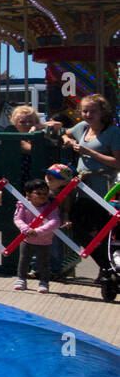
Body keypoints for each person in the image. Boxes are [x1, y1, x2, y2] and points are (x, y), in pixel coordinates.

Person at [61, 94, 120, 298]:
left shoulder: (113, 132)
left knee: (104, 231)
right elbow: (64, 133)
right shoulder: (81, 129)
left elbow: (116, 162)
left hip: (104, 189)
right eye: (85, 111)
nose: (87, 115)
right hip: (83, 187)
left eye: (92, 111)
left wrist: (88, 152)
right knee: (78, 227)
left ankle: (109, 270)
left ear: (103, 111)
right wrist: (67, 139)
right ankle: (106, 267)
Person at [13, 178, 60, 294]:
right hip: (27, 239)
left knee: (43, 263)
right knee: (23, 260)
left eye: (45, 193)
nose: (42, 196)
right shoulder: (23, 205)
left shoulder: (50, 207)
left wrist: (38, 231)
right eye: (38, 193)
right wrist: (26, 229)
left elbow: (55, 222)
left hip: (44, 241)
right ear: (28, 194)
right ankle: (21, 279)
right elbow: (18, 219)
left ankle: (44, 282)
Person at [44, 163, 77, 280]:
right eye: (47, 174)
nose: (48, 177)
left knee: (55, 248)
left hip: (55, 225)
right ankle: (36, 268)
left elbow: (65, 211)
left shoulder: (64, 195)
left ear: (64, 182)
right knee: (36, 245)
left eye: (53, 176)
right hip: (41, 224)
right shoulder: (42, 191)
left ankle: (55, 270)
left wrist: (66, 219)